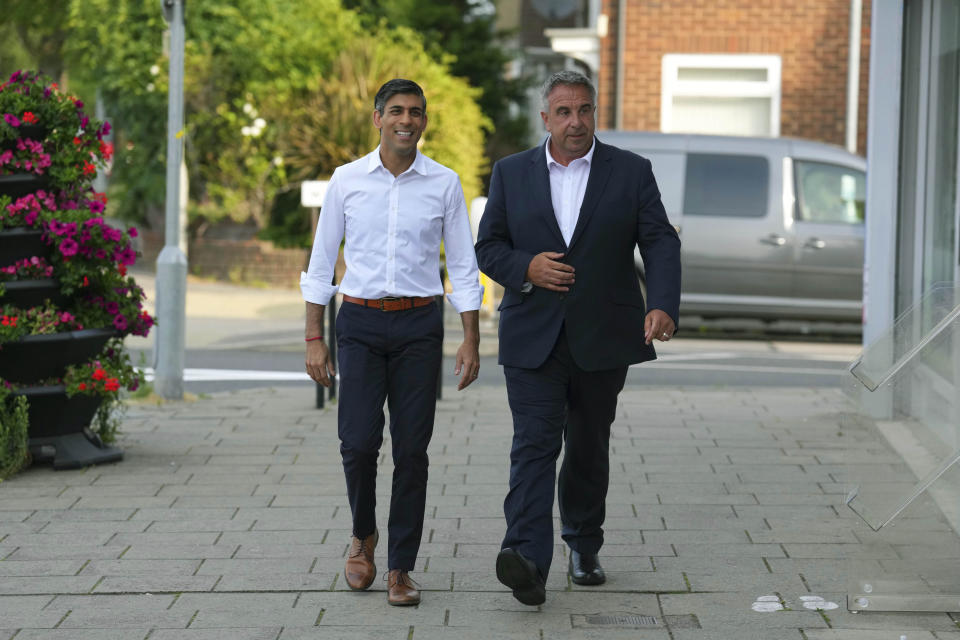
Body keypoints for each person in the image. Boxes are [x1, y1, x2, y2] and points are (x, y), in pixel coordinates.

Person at [475, 70, 681, 606]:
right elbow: (488, 247)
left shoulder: (631, 172)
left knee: (588, 446)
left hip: (603, 335)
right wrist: (528, 267)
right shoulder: (511, 172)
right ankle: (526, 559)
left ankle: (583, 544)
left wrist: (661, 302)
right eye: (564, 112)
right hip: (532, 336)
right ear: (545, 118)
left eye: (584, 110)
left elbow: (659, 241)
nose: (575, 121)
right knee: (534, 445)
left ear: (596, 114)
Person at [302, 78, 483, 606]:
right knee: (357, 443)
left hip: (419, 327)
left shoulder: (445, 184)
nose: (407, 120)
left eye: (417, 112)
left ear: (424, 122)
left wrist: (470, 340)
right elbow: (319, 265)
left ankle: (401, 567)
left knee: (412, 451)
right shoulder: (347, 180)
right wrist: (315, 338)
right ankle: (363, 534)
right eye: (397, 111)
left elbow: (465, 271)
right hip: (357, 323)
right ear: (378, 118)